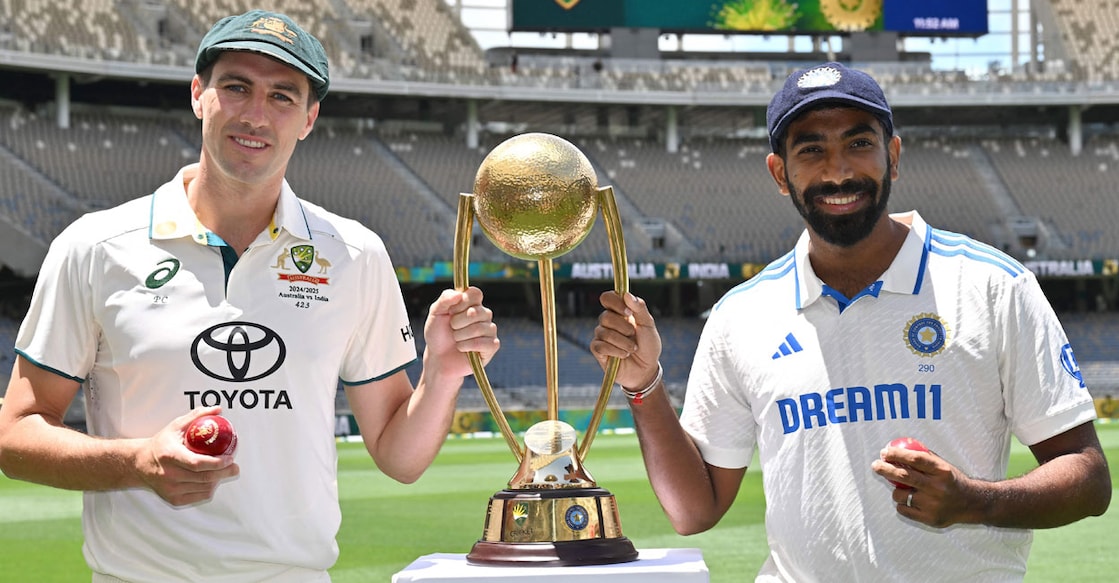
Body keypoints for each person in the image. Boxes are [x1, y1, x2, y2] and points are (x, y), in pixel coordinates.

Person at [0, 10, 499, 582]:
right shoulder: (96, 246)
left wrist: (441, 375)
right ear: (198, 95)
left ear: (309, 118)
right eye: (236, 87)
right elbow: (15, 435)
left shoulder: (354, 254)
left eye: (283, 96)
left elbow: (399, 457)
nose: (256, 115)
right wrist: (136, 462)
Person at [591, 62, 1111, 581]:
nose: (837, 171)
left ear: (894, 156)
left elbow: (1088, 478)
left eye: (859, 144)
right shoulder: (741, 314)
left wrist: (974, 501)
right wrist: (644, 384)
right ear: (780, 173)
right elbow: (694, 510)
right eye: (812, 150)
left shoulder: (994, 286)